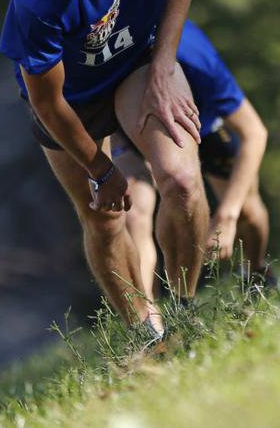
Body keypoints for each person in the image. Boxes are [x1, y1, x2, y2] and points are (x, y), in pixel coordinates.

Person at [0, 0, 217, 339]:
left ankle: (184, 316)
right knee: (104, 217)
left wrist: (163, 63)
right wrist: (100, 169)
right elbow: (48, 102)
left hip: (137, 61)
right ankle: (145, 333)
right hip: (70, 98)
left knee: (182, 183)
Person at [111, 20, 271, 292]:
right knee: (134, 215)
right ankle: (148, 312)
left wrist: (227, 215)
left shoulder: (196, 59)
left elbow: (255, 133)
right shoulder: (104, 54)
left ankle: (257, 274)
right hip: (133, 127)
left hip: (203, 127)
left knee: (247, 210)